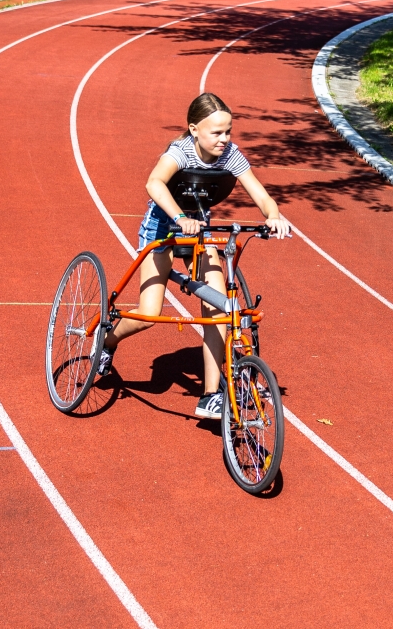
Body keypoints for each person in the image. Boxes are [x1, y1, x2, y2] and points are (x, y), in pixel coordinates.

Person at [97, 92, 290, 420]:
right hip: (162, 229)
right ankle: (107, 340)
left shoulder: (231, 155)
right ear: (193, 129)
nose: (224, 139)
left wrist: (274, 215)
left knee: (218, 307)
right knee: (150, 311)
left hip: (200, 232)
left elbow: (261, 194)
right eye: (216, 132)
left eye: (228, 131)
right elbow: (154, 183)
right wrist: (178, 216)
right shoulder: (181, 151)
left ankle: (210, 395)